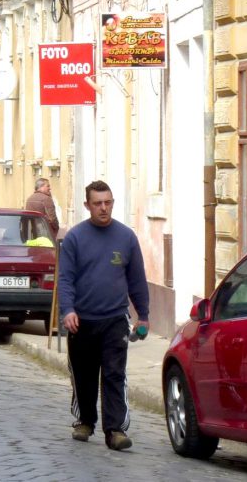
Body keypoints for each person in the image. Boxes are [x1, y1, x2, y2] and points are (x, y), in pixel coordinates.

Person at [58, 180, 149, 452]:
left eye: (108, 202)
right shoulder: (75, 238)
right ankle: (85, 421)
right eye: (97, 203)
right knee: (84, 375)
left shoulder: (126, 237)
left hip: (115, 319)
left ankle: (115, 429)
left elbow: (137, 280)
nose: (103, 208)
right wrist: (68, 310)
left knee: (114, 374)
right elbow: (65, 279)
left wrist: (143, 315)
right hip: (82, 320)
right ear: (87, 205)